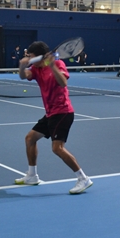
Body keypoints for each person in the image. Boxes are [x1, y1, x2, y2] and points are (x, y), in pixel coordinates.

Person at [15, 41, 93, 194]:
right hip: (50, 113)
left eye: (30, 56)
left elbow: (63, 83)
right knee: (30, 138)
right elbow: (24, 76)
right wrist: (22, 66)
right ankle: (32, 176)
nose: (29, 58)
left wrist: (52, 66)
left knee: (57, 148)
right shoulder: (36, 69)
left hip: (63, 112)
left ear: (39, 56)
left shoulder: (58, 64)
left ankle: (83, 178)